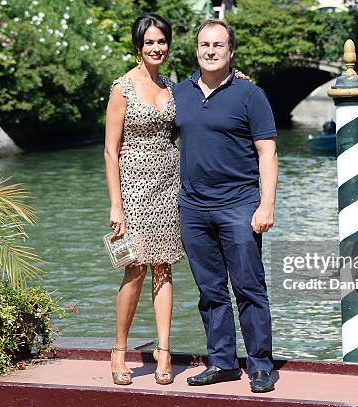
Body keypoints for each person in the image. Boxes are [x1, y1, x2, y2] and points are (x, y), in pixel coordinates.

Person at [174, 19, 278, 393]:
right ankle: (222, 363)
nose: (211, 50)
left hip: (239, 205)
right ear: (197, 50)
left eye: (218, 45)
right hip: (194, 209)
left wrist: (266, 205)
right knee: (211, 291)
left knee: (249, 287)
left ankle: (261, 365)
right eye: (204, 45)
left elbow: (267, 153)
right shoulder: (179, 93)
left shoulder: (251, 95)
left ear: (231, 51)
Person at [104, 13, 183, 386]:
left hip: (170, 187)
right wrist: (115, 205)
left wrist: (239, 78)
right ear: (138, 46)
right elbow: (110, 151)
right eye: (149, 42)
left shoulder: (173, 86)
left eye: (161, 41)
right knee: (133, 270)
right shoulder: (122, 88)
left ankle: (163, 351)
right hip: (133, 191)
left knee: (164, 268)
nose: (157, 48)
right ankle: (119, 351)